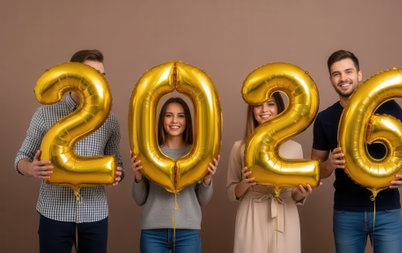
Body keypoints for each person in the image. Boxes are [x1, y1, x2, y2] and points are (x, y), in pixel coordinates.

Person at [311, 49, 402, 253]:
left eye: (348, 71)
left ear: (359, 74)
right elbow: (315, 170)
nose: (343, 78)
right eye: (336, 74)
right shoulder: (325, 119)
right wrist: (329, 165)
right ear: (330, 79)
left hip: (387, 211)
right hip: (347, 213)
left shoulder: (388, 107)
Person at [14, 49, 124, 253]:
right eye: (91, 73)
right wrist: (31, 168)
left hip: (95, 215)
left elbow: (118, 164)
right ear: (74, 75)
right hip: (54, 214)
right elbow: (21, 158)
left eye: (101, 76)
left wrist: (117, 174)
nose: (97, 81)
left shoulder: (110, 121)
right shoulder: (45, 114)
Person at [226, 92, 316, 253]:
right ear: (252, 110)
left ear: (280, 109)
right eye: (258, 105)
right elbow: (232, 192)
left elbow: (295, 196)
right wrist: (245, 182)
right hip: (251, 214)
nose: (264, 110)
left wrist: (302, 193)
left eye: (270, 104)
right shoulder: (239, 147)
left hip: (285, 213)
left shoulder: (295, 148)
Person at [130, 97, 219, 253]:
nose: (174, 120)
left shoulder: (197, 154)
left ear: (187, 120)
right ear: (161, 119)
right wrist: (138, 175)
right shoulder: (150, 153)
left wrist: (207, 179)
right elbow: (139, 199)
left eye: (181, 115)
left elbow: (203, 200)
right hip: (153, 232)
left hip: (188, 232)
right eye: (168, 115)